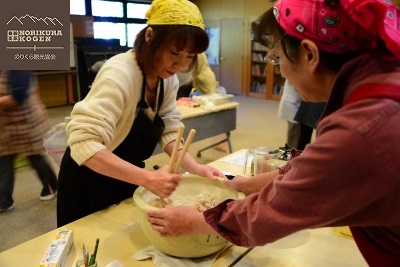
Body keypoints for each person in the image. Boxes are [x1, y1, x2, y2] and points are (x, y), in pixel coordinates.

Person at [146, 0, 400, 265]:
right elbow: (311, 169)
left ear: (309, 55)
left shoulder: (362, 128)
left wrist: (195, 221)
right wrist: (243, 184)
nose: (281, 72)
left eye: (277, 59)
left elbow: (274, 211)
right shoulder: (378, 87)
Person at [56, 0, 226, 227]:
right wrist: (148, 178)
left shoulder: (167, 78)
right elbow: (84, 144)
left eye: (189, 56)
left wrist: (194, 167)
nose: (182, 65)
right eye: (175, 52)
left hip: (125, 175)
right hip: (87, 179)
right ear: (150, 37)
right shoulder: (120, 74)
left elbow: (169, 128)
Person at [0, 71, 58, 212]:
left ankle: (52, 185)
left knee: (34, 157)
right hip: (7, 125)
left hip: (27, 122)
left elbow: (18, 96)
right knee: (4, 160)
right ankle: (3, 201)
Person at [278, 80, 325, 150]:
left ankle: (294, 154)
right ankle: (293, 156)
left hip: (303, 104)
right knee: (295, 135)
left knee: (299, 135)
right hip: (296, 104)